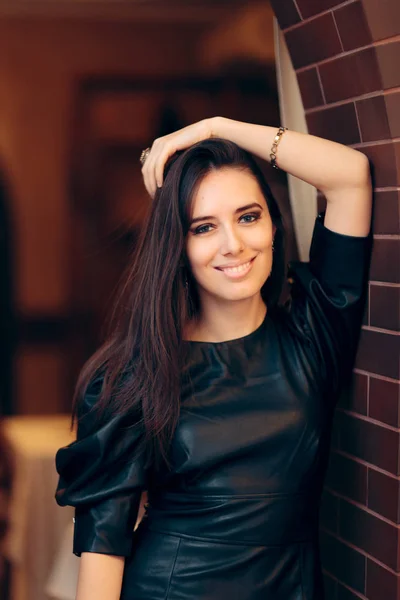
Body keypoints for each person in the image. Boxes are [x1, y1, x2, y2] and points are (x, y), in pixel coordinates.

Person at [55, 117, 372, 600]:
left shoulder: (316, 333)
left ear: (273, 224)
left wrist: (214, 128)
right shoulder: (136, 373)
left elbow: (350, 175)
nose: (233, 245)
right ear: (177, 248)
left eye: (248, 217)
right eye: (204, 227)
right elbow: (104, 549)